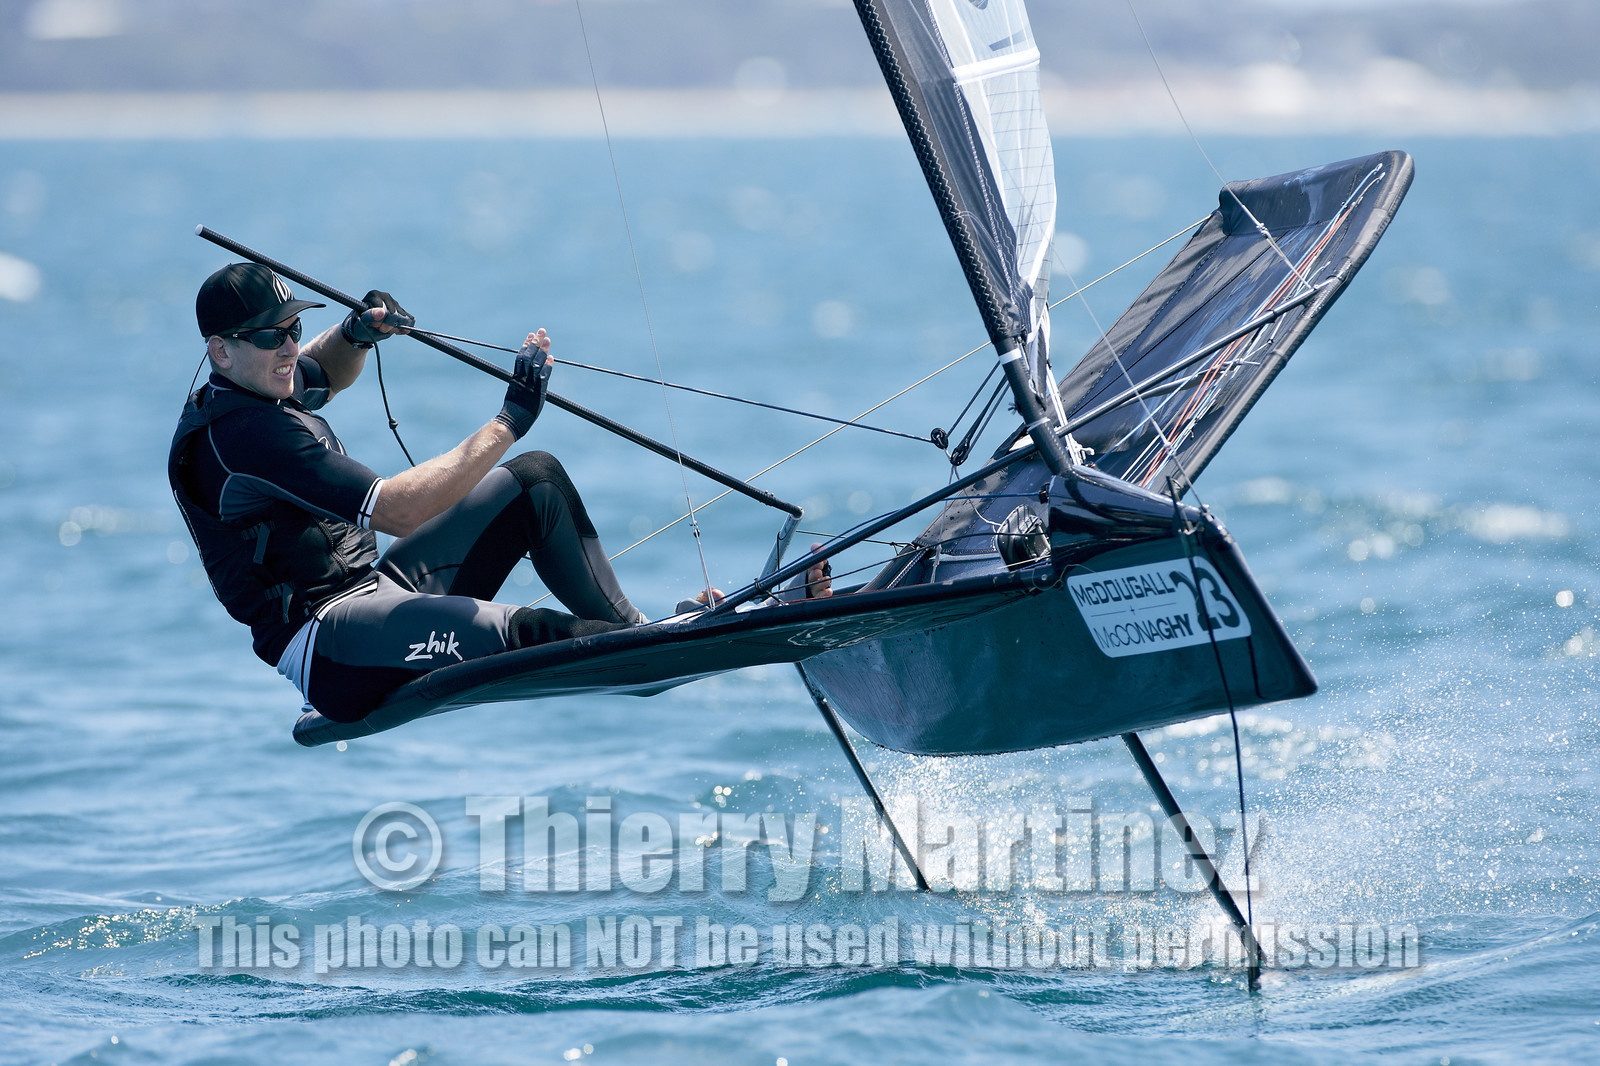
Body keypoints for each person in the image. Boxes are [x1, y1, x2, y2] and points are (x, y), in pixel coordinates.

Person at [169, 262, 657, 724]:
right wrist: (509, 422)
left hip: (376, 591)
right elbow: (399, 512)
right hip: (330, 646)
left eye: (293, 329)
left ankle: (642, 631)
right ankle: (656, 650)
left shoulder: (256, 381)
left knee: (536, 481)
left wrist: (354, 335)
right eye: (271, 336)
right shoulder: (244, 435)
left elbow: (323, 371)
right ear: (220, 350)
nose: (289, 348)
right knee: (524, 633)